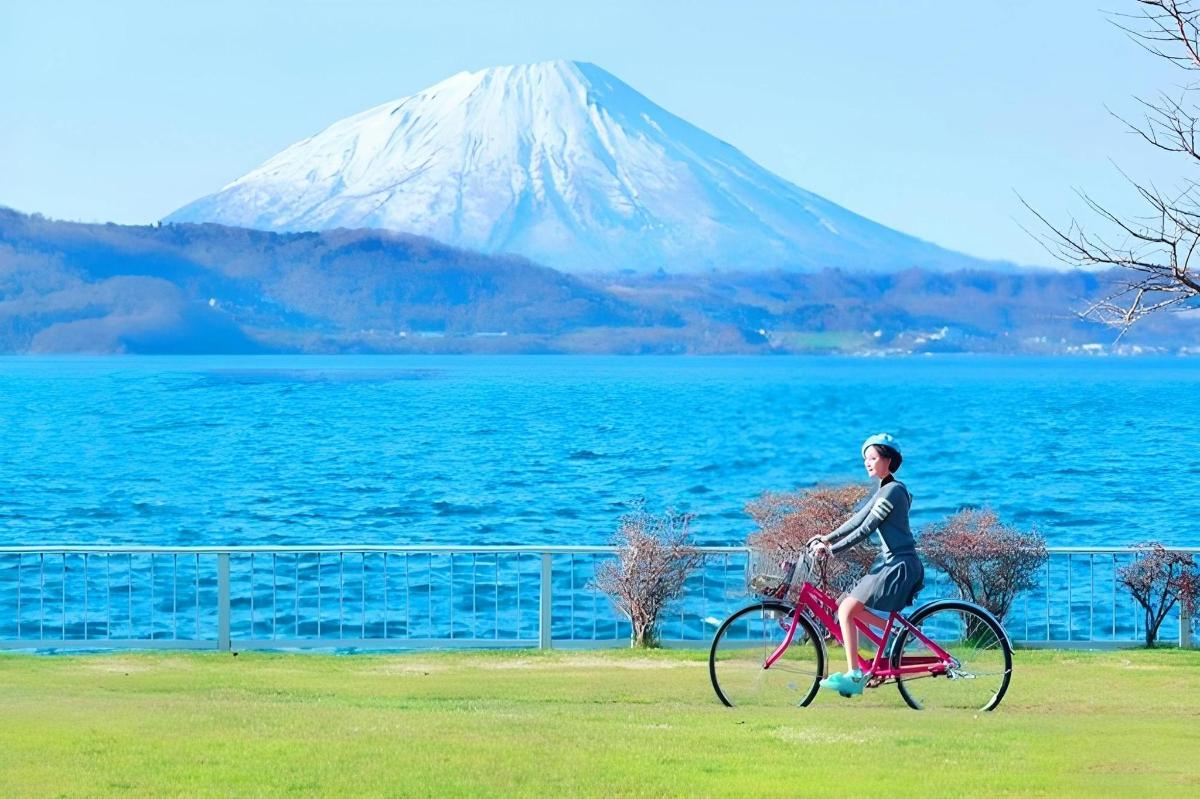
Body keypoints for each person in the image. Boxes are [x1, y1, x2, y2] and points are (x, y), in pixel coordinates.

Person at [808, 433, 924, 696]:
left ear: (888, 459)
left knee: (847, 610)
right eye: (865, 459)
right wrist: (826, 537)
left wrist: (832, 550)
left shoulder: (894, 490)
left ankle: (855, 674)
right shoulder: (885, 489)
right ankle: (897, 633)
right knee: (844, 605)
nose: (867, 463)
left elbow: (867, 529)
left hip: (899, 566)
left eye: (873, 457)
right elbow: (857, 519)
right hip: (892, 564)